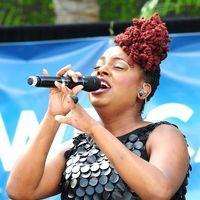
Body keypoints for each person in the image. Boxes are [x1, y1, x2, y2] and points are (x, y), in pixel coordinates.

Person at [6, 13, 191, 200]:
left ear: (143, 90)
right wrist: (53, 115)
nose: (101, 71)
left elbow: (158, 192)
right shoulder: (76, 148)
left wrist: (94, 128)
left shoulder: (163, 135)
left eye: (118, 67)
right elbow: (19, 191)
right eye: (97, 68)